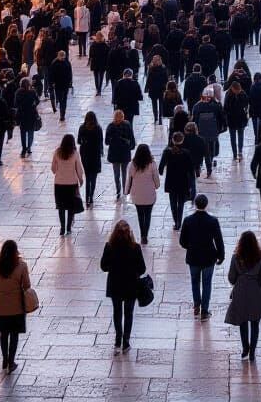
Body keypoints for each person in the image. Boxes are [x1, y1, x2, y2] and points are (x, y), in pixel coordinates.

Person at [100, 220, 146, 352]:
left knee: (117, 312)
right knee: (129, 313)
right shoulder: (135, 247)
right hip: (131, 284)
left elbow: (103, 266)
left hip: (115, 284)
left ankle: (117, 340)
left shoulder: (109, 246)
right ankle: (126, 341)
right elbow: (142, 268)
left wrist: (114, 267)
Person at [0, 239, 31, 372]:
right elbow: (27, 285)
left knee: (3, 334)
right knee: (14, 335)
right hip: (17, 306)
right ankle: (11, 361)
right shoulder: (22, 265)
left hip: (0, 306)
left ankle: (4, 359)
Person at [179, 194, 225, 320]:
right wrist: (221, 255)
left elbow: (182, 241)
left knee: (194, 282)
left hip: (193, 257)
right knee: (207, 283)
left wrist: (191, 246)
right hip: (208, 257)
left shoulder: (188, 220)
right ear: (206, 204)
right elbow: (218, 240)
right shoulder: (213, 221)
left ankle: (196, 305)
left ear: (195, 204)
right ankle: (204, 310)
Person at [225, 230, 261, 361]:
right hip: (256, 293)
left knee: (242, 321)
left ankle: (245, 349)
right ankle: (253, 352)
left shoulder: (236, 257)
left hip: (241, 292)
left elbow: (231, 278)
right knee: (255, 323)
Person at [160, 133, 196, 231]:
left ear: (172, 140)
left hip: (171, 180)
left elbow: (160, 168)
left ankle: (176, 221)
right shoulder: (186, 153)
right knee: (181, 203)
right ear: (182, 140)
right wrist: (192, 181)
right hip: (183, 181)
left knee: (172, 202)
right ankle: (179, 221)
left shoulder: (167, 152)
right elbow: (191, 169)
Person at [125, 143, 160, 244]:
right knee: (148, 215)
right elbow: (156, 178)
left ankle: (142, 235)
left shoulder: (132, 164)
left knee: (140, 215)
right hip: (149, 193)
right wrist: (157, 185)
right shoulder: (152, 164)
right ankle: (145, 235)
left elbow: (129, 179)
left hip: (137, 194)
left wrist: (126, 191)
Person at [50, 134, 85, 236]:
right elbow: (79, 168)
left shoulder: (57, 152)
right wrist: (81, 179)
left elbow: (53, 168)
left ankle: (62, 228)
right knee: (70, 207)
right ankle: (68, 228)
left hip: (59, 184)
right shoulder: (74, 153)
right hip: (71, 184)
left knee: (61, 207)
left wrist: (59, 171)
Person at [104, 110, 136, 199]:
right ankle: (124, 190)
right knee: (124, 172)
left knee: (116, 173)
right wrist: (131, 145)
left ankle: (118, 191)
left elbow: (106, 142)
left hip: (114, 154)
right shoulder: (127, 125)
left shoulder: (110, 126)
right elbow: (131, 137)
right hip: (124, 153)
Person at [77, 111, 104, 208]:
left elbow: (78, 141)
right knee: (94, 178)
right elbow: (101, 141)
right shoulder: (98, 128)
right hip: (95, 155)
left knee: (87, 177)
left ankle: (87, 198)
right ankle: (91, 197)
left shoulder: (82, 128)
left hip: (85, 155)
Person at [13, 78, 40, 158]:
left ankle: (24, 149)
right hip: (31, 114)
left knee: (23, 132)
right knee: (31, 131)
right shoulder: (32, 92)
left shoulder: (18, 92)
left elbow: (15, 103)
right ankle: (29, 147)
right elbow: (37, 101)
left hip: (22, 114)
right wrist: (33, 104)